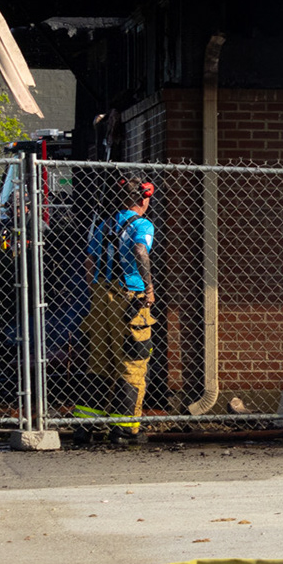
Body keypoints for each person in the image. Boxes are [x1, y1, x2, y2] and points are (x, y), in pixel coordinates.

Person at [78, 179, 157, 443]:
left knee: (100, 360)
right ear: (143, 199)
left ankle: (87, 425)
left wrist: (95, 289)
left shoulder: (104, 224)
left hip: (101, 296)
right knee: (133, 361)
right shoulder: (142, 225)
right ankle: (125, 428)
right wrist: (148, 288)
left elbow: (89, 261)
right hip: (129, 297)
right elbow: (140, 250)